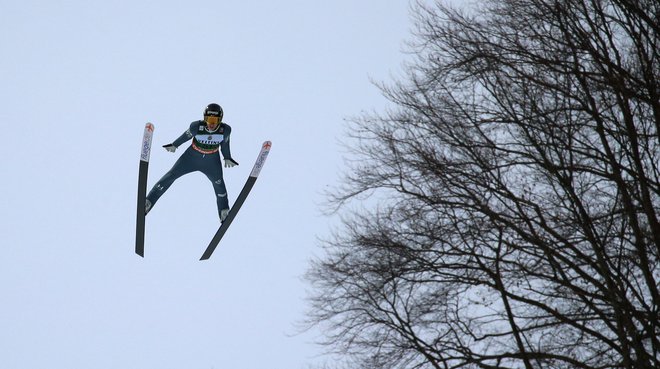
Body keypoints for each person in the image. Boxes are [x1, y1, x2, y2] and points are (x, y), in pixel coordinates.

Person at [145, 103, 239, 221]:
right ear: (205, 119)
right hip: (190, 158)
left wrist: (227, 157)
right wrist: (175, 145)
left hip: (212, 162)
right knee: (171, 175)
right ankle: (149, 201)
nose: (212, 123)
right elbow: (185, 136)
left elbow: (225, 144)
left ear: (220, 120)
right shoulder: (196, 127)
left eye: (215, 120)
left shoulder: (225, 130)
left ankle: (224, 211)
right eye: (209, 119)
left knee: (219, 185)